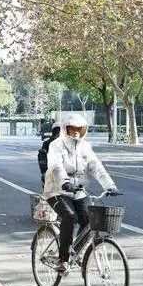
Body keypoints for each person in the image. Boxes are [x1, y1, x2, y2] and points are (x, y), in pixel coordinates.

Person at [44, 113, 118, 273]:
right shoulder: (56, 146)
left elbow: (96, 167)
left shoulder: (86, 147)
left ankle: (74, 252)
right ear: (65, 129)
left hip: (79, 191)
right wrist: (65, 182)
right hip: (56, 190)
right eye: (72, 129)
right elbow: (56, 167)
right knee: (69, 216)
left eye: (80, 129)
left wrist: (110, 186)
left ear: (84, 130)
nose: (76, 132)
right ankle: (63, 260)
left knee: (89, 221)